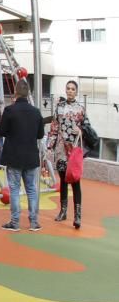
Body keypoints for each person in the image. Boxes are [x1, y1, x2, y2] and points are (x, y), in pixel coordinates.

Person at [0, 80, 44, 231]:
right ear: (28, 92)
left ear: (16, 93)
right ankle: (34, 222)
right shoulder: (36, 112)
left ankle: (15, 222)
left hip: (14, 155)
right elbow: (40, 134)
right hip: (31, 155)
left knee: (15, 189)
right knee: (31, 189)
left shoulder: (10, 110)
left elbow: (2, 131)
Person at [46, 79, 86, 229]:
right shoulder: (59, 107)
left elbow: (87, 128)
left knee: (75, 181)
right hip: (61, 150)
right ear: (66, 90)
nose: (70, 91)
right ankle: (63, 211)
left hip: (74, 151)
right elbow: (54, 128)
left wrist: (81, 131)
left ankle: (78, 216)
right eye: (68, 88)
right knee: (63, 180)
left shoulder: (81, 109)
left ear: (76, 92)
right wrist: (50, 147)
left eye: (72, 89)